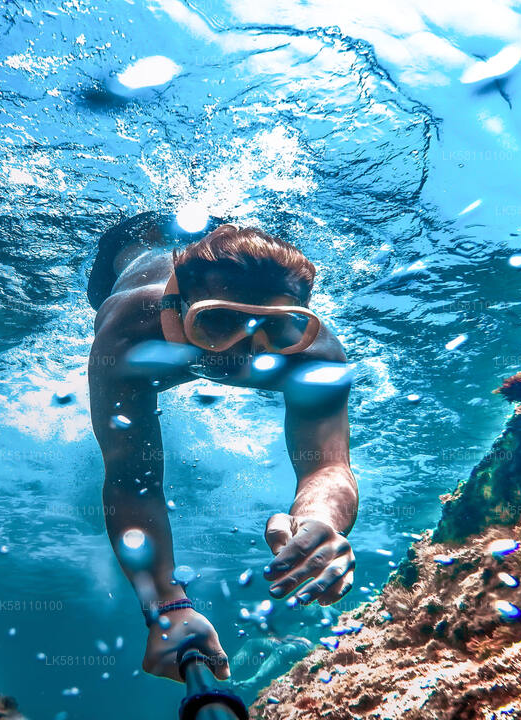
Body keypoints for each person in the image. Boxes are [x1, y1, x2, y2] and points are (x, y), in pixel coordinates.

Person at [87, 212, 358, 682]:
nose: (245, 353)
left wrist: (320, 520)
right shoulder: (128, 331)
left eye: (276, 329)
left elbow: (328, 466)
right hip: (128, 247)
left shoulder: (315, 354)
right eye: (217, 324)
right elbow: (131, 478)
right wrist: (166, 606)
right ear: (173, 306)